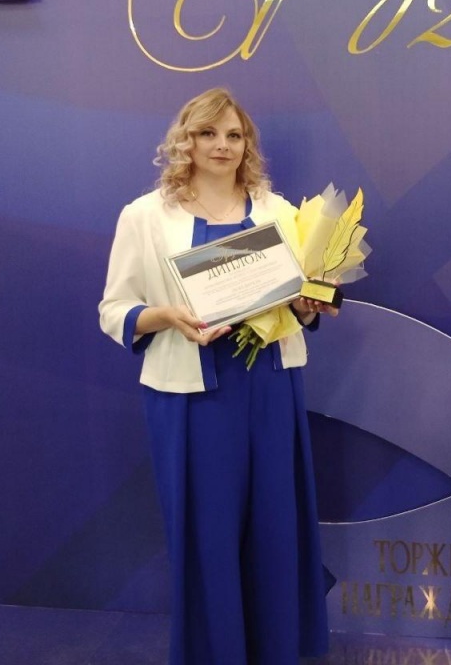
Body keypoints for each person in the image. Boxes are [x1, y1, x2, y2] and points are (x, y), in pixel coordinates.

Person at [99, 88, 335, 664]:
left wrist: (310, 305)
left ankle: (277, 650)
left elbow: (301, 303)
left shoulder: (280, 212)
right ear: (185, 141)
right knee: (208, 532)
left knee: (275, 526)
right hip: (191, 396)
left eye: (234, 135)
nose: (222, 146)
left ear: (247, 144)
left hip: (271, 388)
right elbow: (113, 310)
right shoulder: (145, 216)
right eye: (208, 133)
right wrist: (168, 317)